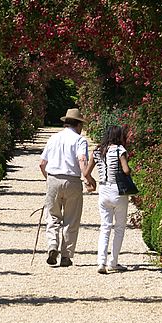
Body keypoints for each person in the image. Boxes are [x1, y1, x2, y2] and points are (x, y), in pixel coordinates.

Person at [39, 108, 93, 267]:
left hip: (54, 179)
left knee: (52, 217)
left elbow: (42, 164)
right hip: (72, 182)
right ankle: (66, 256)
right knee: (71, 220)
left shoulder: (53, 138)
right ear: (77, 125)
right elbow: (82, 160)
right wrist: (88, 178)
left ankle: (52, 246)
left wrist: (49, 181)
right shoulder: (79, 140)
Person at [83, 124, 131, 274]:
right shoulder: (119, 150)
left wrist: (93, 181)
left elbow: (86, 172)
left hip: (103, 191)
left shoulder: (98, 151)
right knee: (119, 228)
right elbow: (126, 170)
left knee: (105, 227)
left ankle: (101, 262)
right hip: (118, 191)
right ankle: (113, 262)